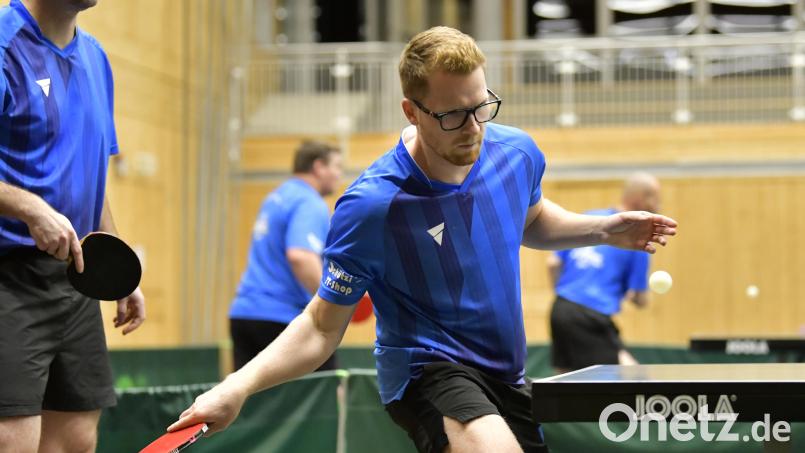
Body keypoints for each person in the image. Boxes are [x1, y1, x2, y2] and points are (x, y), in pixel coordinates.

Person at [168, 27, 676, 453]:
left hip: (506, 371)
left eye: (481, 106)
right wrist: (236, 387)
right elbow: (321, 326)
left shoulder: (516, 153)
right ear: (412, 112)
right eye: (452, 115)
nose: (473, 128)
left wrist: (602, 230)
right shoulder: (372, 205)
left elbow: (532, 220)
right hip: (426, 368)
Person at [0, 0, 146, 451]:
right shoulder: (4, 46)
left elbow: (90, 173)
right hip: (9, 277)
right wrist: (29, 208)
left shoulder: (96, 58)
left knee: (77, 438)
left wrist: (115, 262)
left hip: (76, 276)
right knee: (12, 439)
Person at [229, 141, 342, 371]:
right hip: (282, 319)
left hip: (244, 314)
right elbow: (301, 256)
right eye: (337, 167)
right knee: (328, 388)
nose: (339, 175)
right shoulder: (309, 202)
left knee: (250, 393)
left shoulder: (276, 197)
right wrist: (333, 303)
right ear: (319, 167)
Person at [547, 173, 662, 373]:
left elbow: (553, 263)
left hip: (560, 308)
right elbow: (639, 298)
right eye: (656, 199)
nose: (659, 206)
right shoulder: (639, 237)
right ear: (641, 199)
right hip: (591, 315)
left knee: (565, 376)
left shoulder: (591, 217)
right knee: (631, 376)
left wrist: (567, 296)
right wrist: (640, 298)